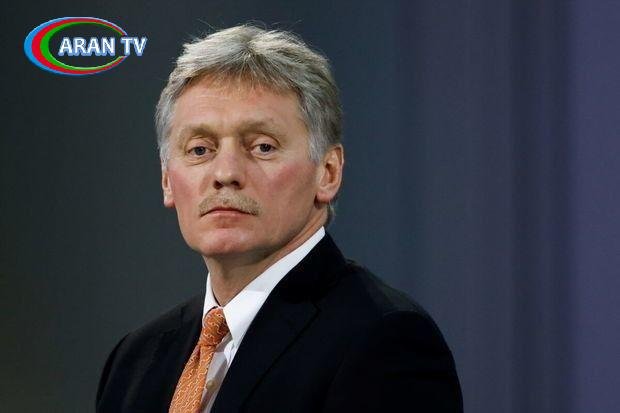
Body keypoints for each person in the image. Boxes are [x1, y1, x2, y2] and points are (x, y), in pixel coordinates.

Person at [96, 24, 463, 413]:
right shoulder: (135, 360)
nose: (225, 173)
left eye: (262, 147)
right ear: (168, 181)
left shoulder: (383, 340)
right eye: (200, 149)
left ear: (328, 173)